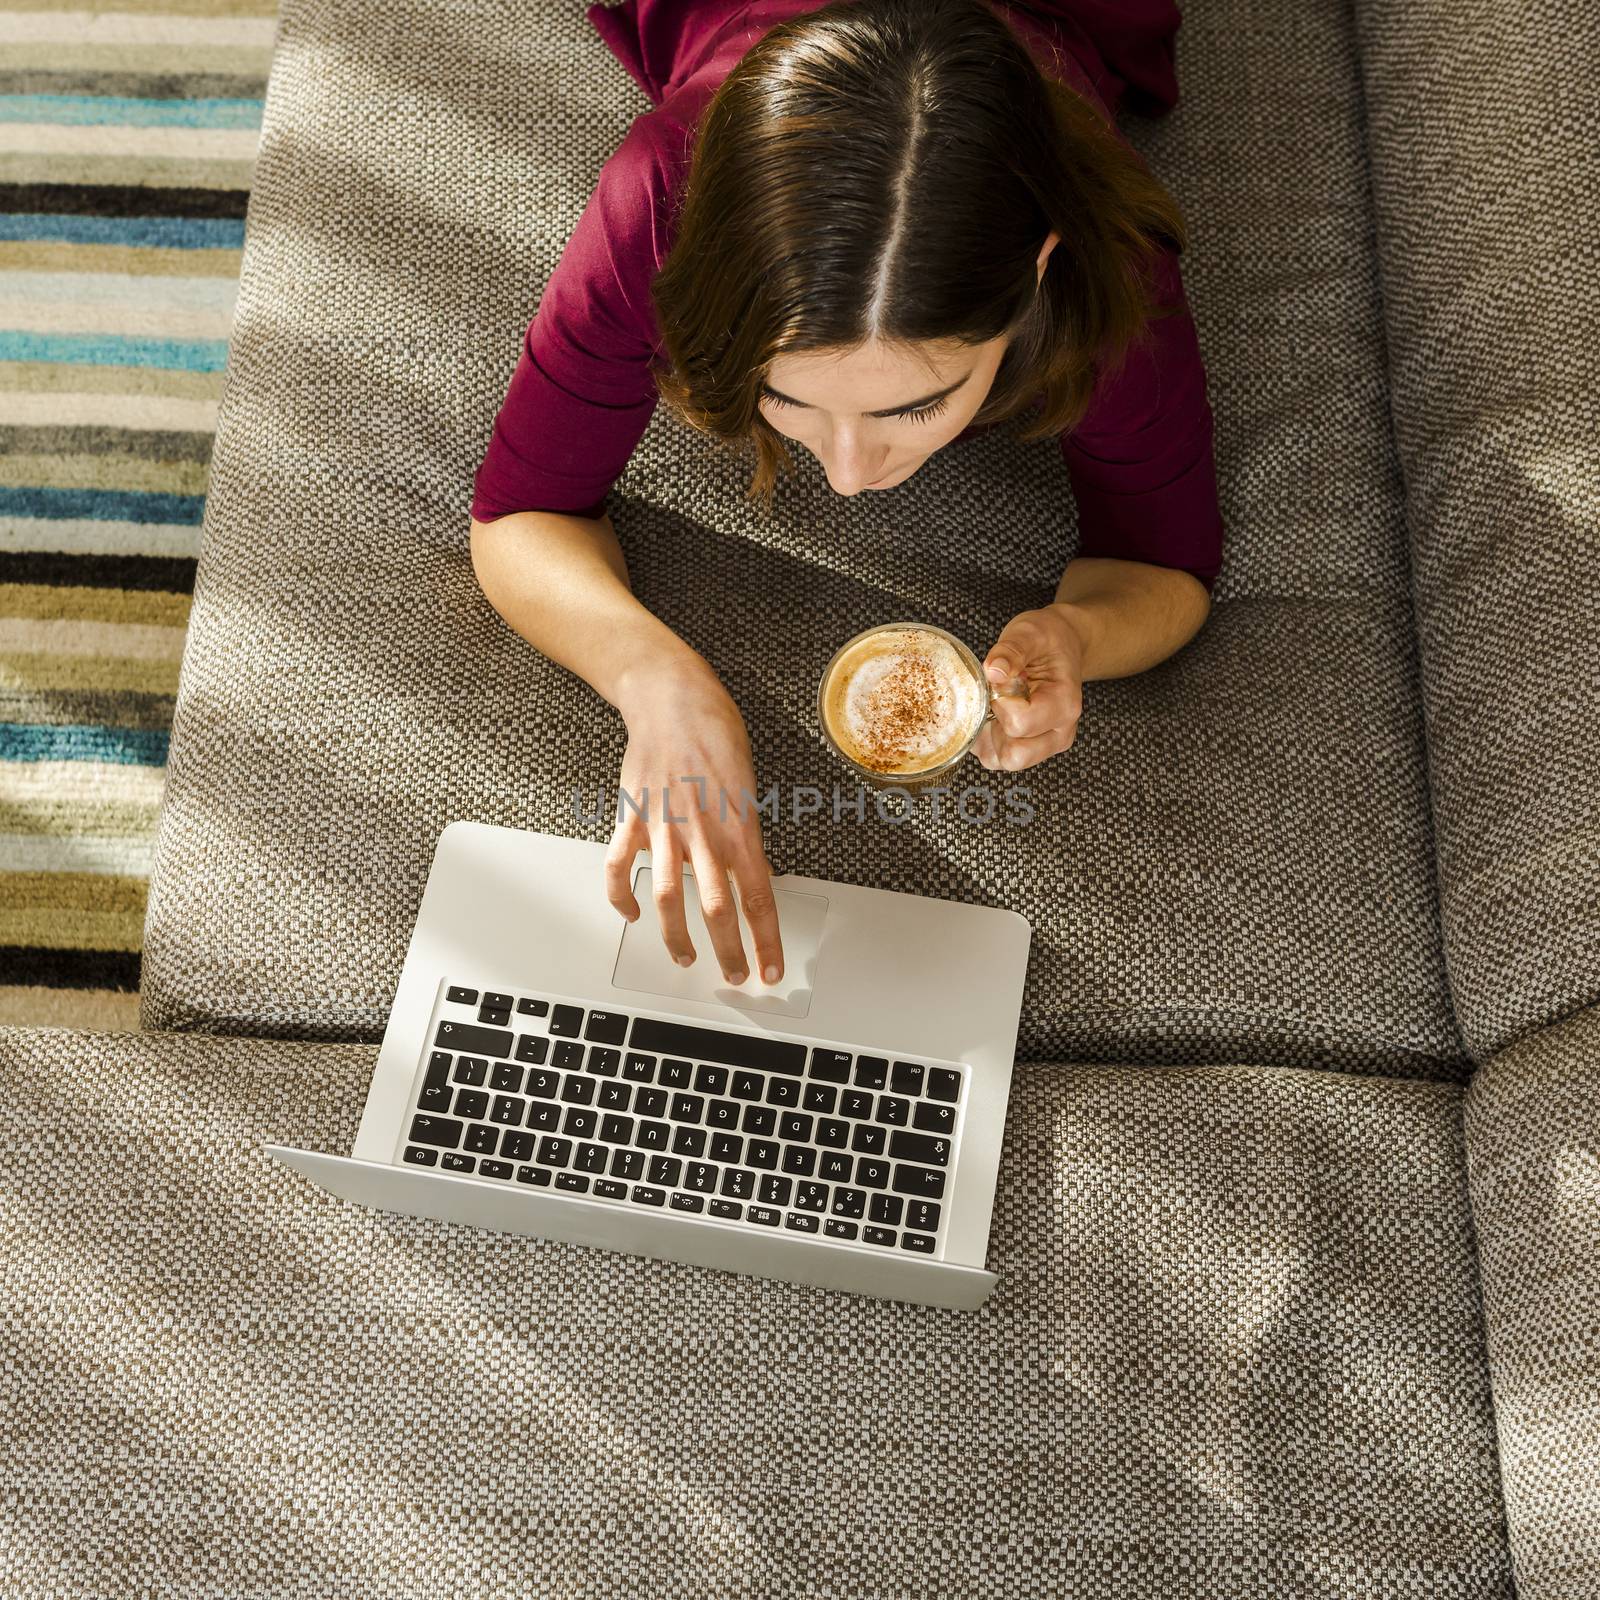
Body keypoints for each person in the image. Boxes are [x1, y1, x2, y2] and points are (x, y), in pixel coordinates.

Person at [469, 0, 1224, 991]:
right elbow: (521, 512)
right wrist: (657, 683)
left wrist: (1079, 632)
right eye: (785, 395)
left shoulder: (1105, 265)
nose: (847, 473)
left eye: (915, 406)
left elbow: (1164, 563)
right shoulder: (662, 196)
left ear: (1039, 271)